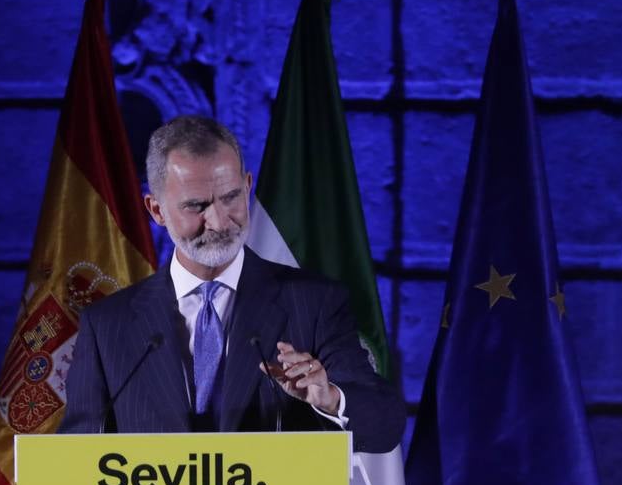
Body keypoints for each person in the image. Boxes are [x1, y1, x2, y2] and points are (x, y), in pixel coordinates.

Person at [59, 115, 403, 452]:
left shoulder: (315, 303)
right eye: (197, 206)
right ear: (157, 210)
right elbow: (75, 466)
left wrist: (330, 399)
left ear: (248, 186)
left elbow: (384, 426)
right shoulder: (107, 326)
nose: (219, 221)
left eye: (230, 198)